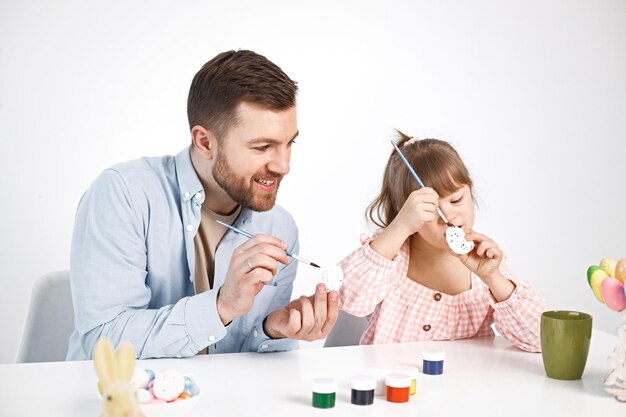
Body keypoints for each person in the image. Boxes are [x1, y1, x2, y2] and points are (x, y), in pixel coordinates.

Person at [67, 50, 338, 360]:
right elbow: (104, 341)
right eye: (263, 147)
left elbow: (246, 364)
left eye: (289, 143)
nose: (283, 165)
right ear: (205, 142)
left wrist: (271, 331)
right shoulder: (123, 194)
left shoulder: (280, 226)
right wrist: (221, 306)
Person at [338, 131, 547, 352]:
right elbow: (348, 299)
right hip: (394, 384)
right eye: (430, 208)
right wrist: (399, 226)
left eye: (456, 200)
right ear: (405, 210)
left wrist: (493, 278)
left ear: (470, 191)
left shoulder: (485, 263)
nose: (448, 217)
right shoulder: (390, 256)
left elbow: (542, 339)